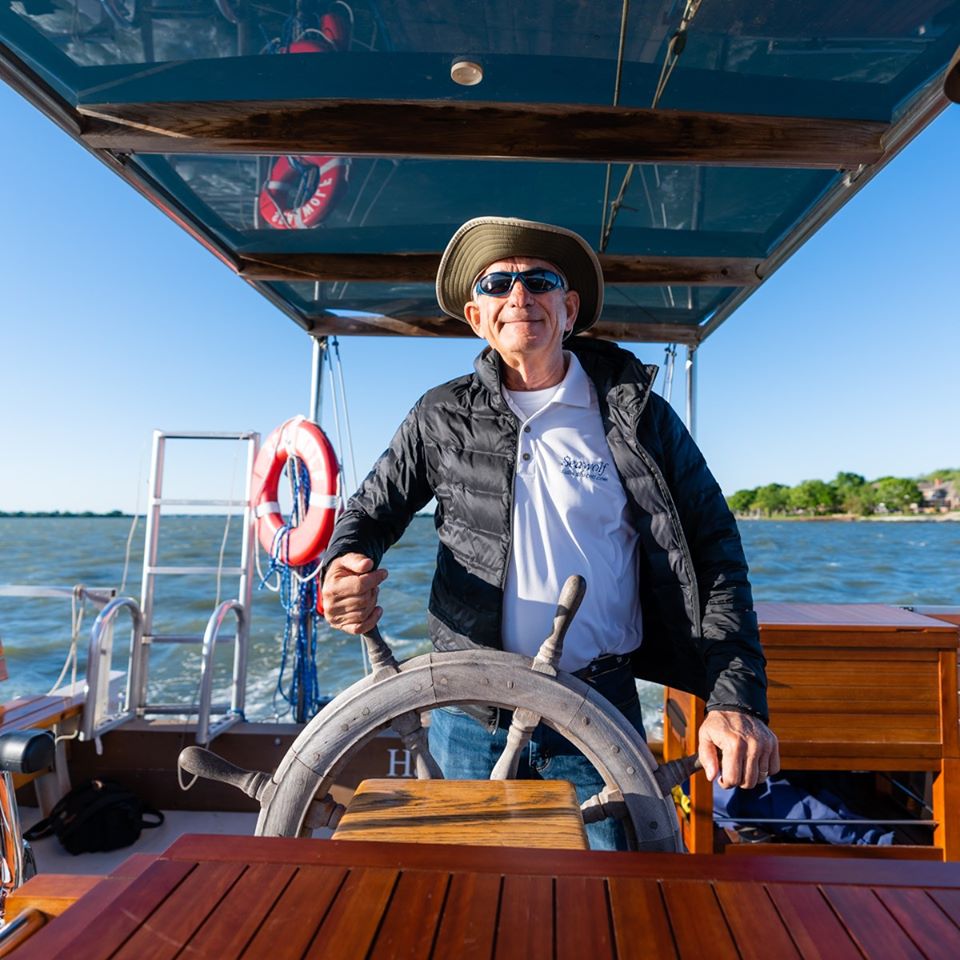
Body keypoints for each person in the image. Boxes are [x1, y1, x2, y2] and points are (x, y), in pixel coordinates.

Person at [321, 216, 779, 849]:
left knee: (611, 908)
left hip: (596, 709)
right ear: (476, 315)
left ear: (569, 309)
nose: (519, 295)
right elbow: (370, 511)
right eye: (498, 282)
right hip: (468, 712)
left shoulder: (637, 415)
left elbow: (714, 553)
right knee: (469, 902)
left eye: (538, 280)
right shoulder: (439, 414)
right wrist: (347, 561)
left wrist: (736, 699)